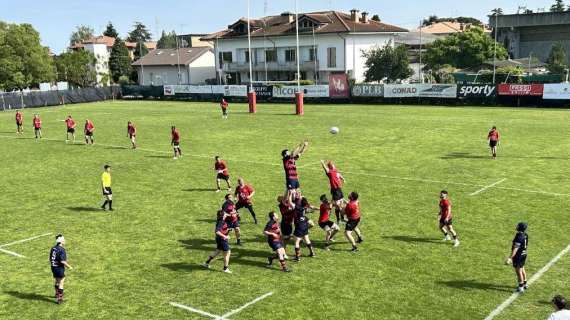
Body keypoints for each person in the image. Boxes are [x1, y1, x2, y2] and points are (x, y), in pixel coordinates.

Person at [505, 222, 529, 293]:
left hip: (518, 256)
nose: (516, 226)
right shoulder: (525, 235)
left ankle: (520, 286)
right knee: (522, 268)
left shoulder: (519, 236)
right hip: (524, 254)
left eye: (518, 226)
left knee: (518, 271)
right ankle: (525, 283)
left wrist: (510, 258)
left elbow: (515, 248)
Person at [50, 234, 73, 304]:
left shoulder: (53, 248)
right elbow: (62, 261)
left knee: (57, 280)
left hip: (53, 267)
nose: (65, 241)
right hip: (59, 268)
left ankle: (57, 294)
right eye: (63, 240)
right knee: (61, 282)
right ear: (60, 241)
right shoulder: (62, 250)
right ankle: (60, 299)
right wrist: (69, 266)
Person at [292, 195, 316, 261]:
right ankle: (312, 253)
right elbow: (308, 207)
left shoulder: (297, 207)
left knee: (296, 242)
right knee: (307, 239)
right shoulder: (304, 208)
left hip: (299, 225)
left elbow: (290, 203)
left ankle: (297, 257)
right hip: (304, 224)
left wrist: (290, 193)